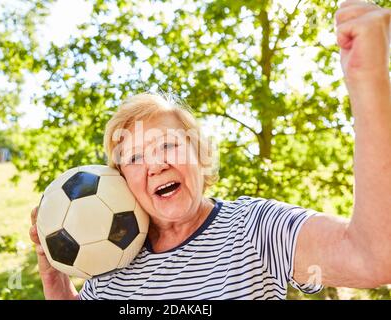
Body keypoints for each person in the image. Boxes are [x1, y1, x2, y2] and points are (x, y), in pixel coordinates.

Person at [29, 0, 391, 299]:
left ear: (200, 155)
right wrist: (54, 279)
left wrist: (368, 79)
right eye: (135, 157)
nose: (154, 164)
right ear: (120, 180)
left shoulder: (255, 230)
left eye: (167, 145)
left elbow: (373, 257)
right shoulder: (107, 253)